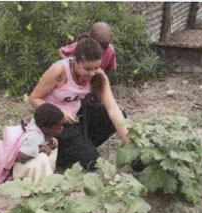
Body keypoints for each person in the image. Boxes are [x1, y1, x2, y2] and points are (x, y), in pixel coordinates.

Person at [30, 37, 129, 171]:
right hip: (55, 121)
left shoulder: (98, 75)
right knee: (91, 162)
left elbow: (113, 109)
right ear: (75, 61)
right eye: (87, 69)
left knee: (118, 116)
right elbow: (34, 99)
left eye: (96, 67)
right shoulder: (59, 71)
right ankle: (64, 152)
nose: (92, 73)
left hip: (77, 115)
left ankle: (81, 146)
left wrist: (130, 144)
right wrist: (60, 113)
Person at [0, 103, 64, 185]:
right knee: (42, 158)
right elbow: (21, 156)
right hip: (16, 168)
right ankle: (41, 184)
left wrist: (47, 143)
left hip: (24, 156)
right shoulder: (35, 136)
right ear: (45, 129)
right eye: (58, 128)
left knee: (54, 142)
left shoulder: (37, 124)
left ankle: (47, 174)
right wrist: (41, 149)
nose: (62, 128)